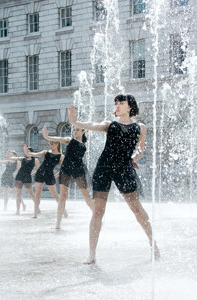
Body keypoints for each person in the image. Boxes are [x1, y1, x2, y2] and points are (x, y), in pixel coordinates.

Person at [68, 94, 160, 264]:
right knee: (98, 211)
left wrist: (134, 158)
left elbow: (140, 150)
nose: (117, 105)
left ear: (130, 106)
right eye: (116, 103)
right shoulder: (109, 124)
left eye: (121, 103)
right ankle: (92, 254)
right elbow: (93, 125)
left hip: (124, 169)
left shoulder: (141, 127)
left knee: (137, 210)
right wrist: (76, 122)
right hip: (105, 167)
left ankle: (153, 244)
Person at [41, 125, 93, 229]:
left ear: (83, 131)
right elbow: (60, 139)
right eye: (74, 129)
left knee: (86, 195)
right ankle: (58, 224)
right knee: (63, 197)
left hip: (78, 169)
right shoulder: (70, 140)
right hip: (66, 169)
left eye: (77, 129)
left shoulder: (83, 144)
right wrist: (47, 137)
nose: (75, 131)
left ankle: (97, 216)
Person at [23, 141, 64, 218]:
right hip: (40, 173)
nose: (50, 146)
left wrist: (58, 175)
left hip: (49, 175)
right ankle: (35, 214)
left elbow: (64, 168)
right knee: (37, 194)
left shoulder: (61, 156)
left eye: (52, 144)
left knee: (55, 195)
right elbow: (35, 154)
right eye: (49, 144)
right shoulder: (46, 152)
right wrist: (28, 152)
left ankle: (64, 211)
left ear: (57, 144)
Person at [10, 147, 40, 214]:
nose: (26, 153)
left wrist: (32, 174)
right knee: (18, 194)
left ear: (31, 152)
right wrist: (11, 157)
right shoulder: (23, 158)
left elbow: (38, 170)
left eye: (28, 151)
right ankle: (17, 210)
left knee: (31, 193)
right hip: (19, 176)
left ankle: (38, 208)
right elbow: (16, 158)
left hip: (27, 177)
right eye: (26, 151)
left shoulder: (35, 160)